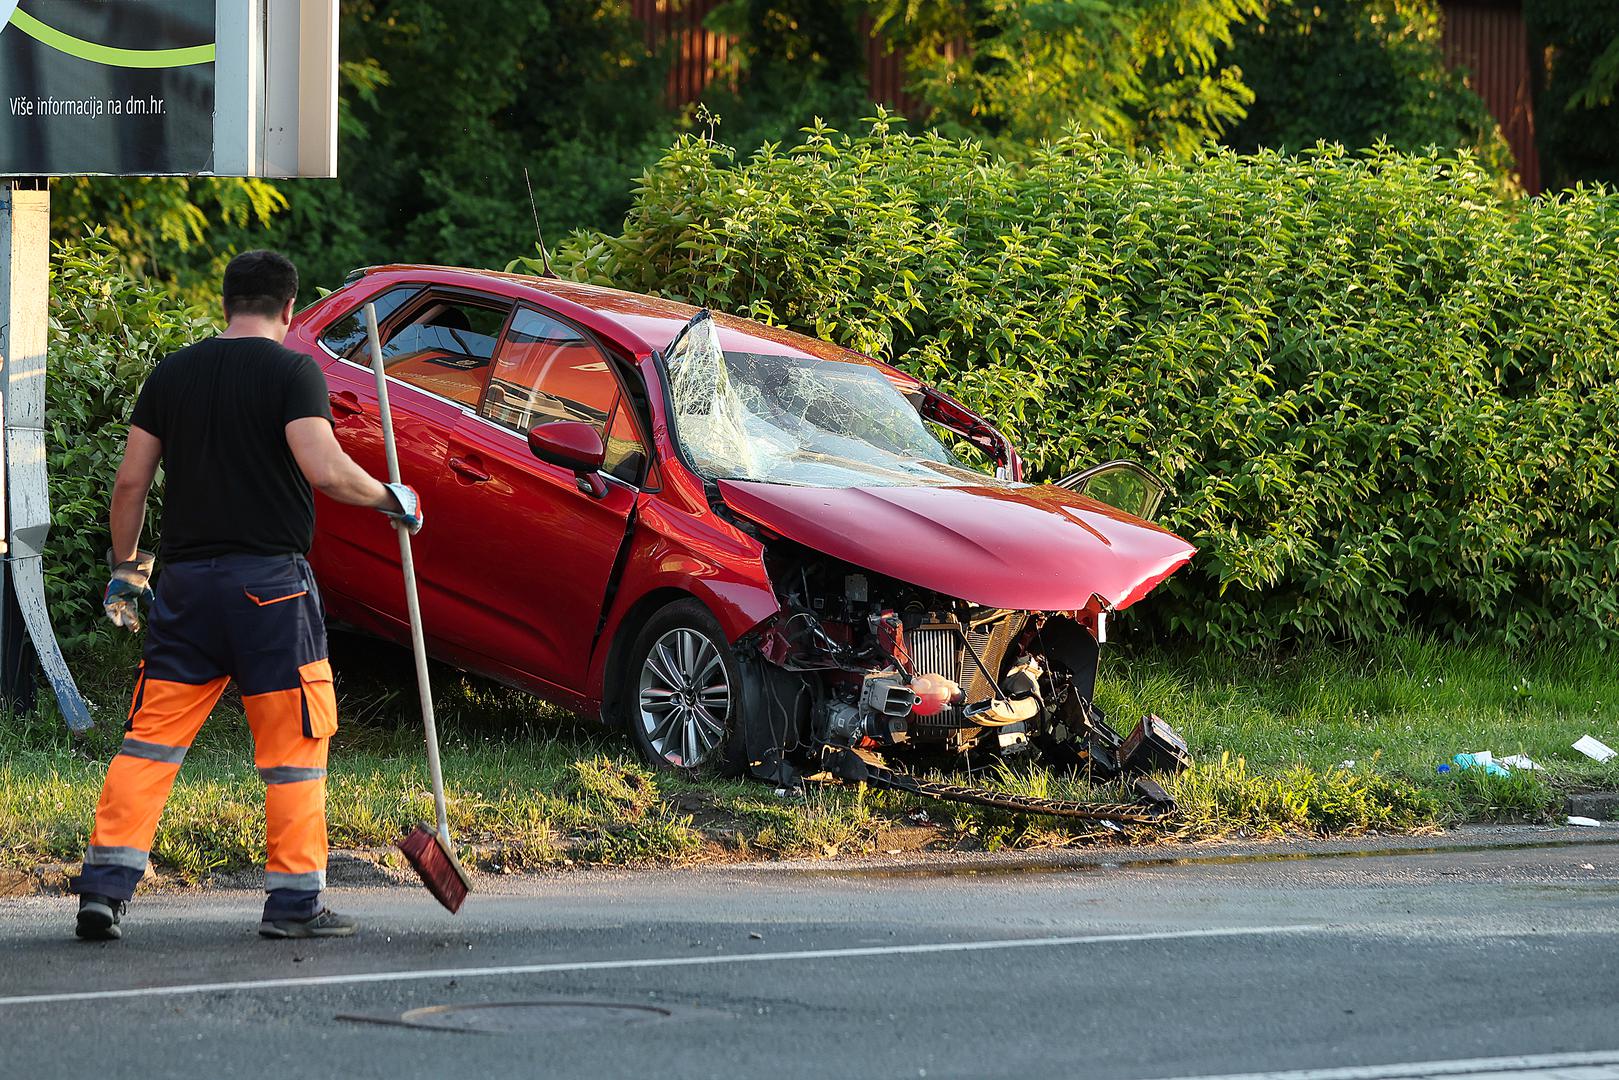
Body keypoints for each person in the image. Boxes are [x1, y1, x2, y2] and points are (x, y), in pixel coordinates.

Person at [71, 250, 421, 942]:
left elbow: (129, 486)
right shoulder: (293, 371)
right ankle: (293, 904)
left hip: (185, 591)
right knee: (294, 749)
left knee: (150, 743)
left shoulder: (173, 372)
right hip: (270, 593)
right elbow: (324, 469)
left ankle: (104, 890)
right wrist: (393, 497)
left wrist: (126, 570)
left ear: (226, 303)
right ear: (289, 311)